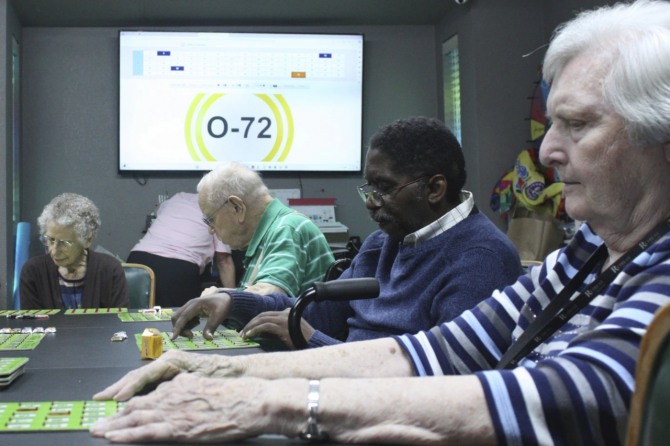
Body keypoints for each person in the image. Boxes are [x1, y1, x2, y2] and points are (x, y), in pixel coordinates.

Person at [92, 1, 670, 444]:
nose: (546, 151)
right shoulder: (589, 250)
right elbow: (434, 351)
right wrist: (226, 376)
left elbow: (572, 396)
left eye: (578, 124)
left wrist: (278, 404)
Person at [172, 117, 522, 348]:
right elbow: (315, 314)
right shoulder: (382, 244)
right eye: (369, 188)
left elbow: (445, 379)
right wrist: (234, 301)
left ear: (434, 189)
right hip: (345, 386)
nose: (370, 202)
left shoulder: (481, 259)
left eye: (384, 188)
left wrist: (312, 342)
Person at [197, 162, 334, 297]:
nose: (211, 230)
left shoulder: (287, 229)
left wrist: (223, 296)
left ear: (237, 207)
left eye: (211, 219)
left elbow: (270, 296)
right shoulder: (277, 230)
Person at [126, 192, 236, 307]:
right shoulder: (219, 210)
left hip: (137, 261)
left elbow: (159, 214)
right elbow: (224, 261)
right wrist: (235, 302)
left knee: (130, 315)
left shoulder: (179, 197)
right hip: (177, 269)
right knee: (177, 317)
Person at [20, 193, 128, 310]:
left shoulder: (111, 270)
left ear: (87, 240)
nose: (54, 251)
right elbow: (32, 321)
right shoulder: (33, 272)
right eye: (50, 240)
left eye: (65, 243)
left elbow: (118, 319)